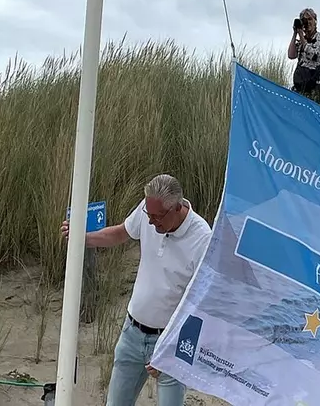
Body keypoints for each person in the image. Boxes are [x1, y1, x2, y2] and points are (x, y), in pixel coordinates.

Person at [60, 174, 211, 406]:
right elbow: (122, 233)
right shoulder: (148, 209)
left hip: (169, 343)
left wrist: (170, 350)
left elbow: (200, 305)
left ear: (177, 208)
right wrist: (82, 238)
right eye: (148, 215)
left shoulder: (202, 239)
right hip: (132, 333)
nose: (151, 222)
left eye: (157, 217)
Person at [287, 7, 320, 105]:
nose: (308, 22)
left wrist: (301, 36)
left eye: (310, 19)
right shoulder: (301, 40)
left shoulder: (319, 37)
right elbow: (291, 55)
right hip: (300, 83)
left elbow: (314, 54)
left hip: (314, 85)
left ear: (315, 21)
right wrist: (295, 33)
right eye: (305, 20)